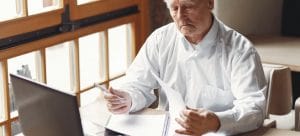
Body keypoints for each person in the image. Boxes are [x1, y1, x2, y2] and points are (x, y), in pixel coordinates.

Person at [104, 0, 267, 135]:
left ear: (210, 3)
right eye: (174, 8)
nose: (180, 17)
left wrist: (216, 121)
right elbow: (137, 84)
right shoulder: (160, 40)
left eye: (188, 6)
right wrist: (127, 99)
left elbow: (254, 108)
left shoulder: (240, 50)